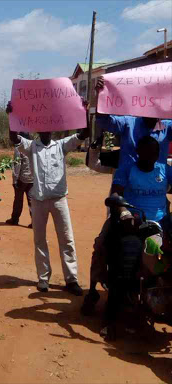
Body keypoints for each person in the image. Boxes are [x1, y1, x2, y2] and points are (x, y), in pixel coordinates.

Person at [82, 77, 172, 314]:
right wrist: (100, 96)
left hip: (158, 202)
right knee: (105, 244)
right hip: (126, 199)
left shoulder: (166, 127)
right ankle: (98, 290)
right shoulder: (128, 123)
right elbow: (102, 119)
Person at [7, 100, 89, 295]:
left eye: (49, 127)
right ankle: (43, 279)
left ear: (53, 129)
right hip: (38, 200)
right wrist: (11, 116)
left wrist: (84, 112)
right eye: (41, 127)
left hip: (60, 200)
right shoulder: (31, 146)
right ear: (37, 129)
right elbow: (14, 138)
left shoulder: (62, 145)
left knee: (67, 239)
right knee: (39, 240)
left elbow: (84, 134)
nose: (45, 130)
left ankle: (71, 279)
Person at [6, 131, 33, 227]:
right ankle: (35, 222)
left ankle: (14, 219)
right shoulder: (34, 146)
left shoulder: (19, 147)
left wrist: (15, 179)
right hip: (32, 178)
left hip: (22, 178)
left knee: (18, 200)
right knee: (32, 201)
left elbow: (17, 164)